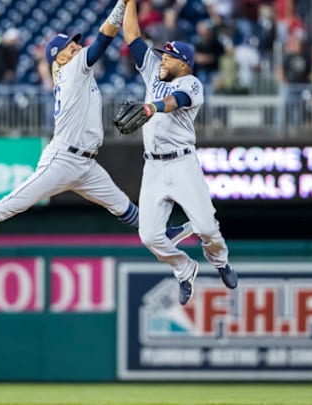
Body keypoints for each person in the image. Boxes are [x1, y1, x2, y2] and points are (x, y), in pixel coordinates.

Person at [0, 0, 192, 259]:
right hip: (61, 159)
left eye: (75, 44)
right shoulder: (71, 69)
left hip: (87, 165)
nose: (74, 47)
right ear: (57, 57)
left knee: (122, 205)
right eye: (68, 46)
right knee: (10, 205)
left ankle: (164, 233)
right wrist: (122, 4)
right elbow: (103, 39)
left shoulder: (76, 73)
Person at [120, 0, 238, 306]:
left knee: (207, 230)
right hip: (154, 168)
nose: (162, 59)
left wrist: (151, 107)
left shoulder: (192, 83)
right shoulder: (152, 73)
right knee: (149, 237)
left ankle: (221, 260)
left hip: (182, 163)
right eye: (163, 55)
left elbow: (177, 100)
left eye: (168, 56)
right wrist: (128, 2)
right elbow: (132, 35)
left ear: (183, 62)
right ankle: (185, 269)